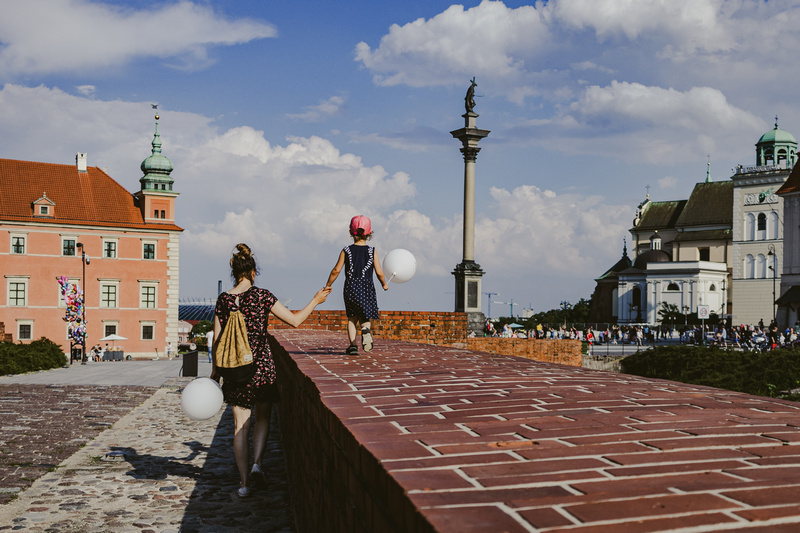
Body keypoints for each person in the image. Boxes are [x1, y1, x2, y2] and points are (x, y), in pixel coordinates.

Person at [210, 243, 330, 498]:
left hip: (234, 371)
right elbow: (296, 321)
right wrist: (316, 300)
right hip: (261, 367)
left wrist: (215, 372)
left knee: (240, 425)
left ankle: (243, 484)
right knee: (263, 418)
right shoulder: (262, 296)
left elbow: (217, 340)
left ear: (234, 272)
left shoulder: (223, 300)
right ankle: (257, 464)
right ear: (253, 272)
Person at [324, 215, 388, 355]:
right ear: (370, 233)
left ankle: (353, 345)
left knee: (352, 317)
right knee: (365, 315)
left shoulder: (346, 250)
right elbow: (379, 272)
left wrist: (328, 284)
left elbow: (336, 270)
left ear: (350, 232)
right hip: (367, 287)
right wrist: (384, 284)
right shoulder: (372, 251)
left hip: (351, 287)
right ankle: (366, 330)